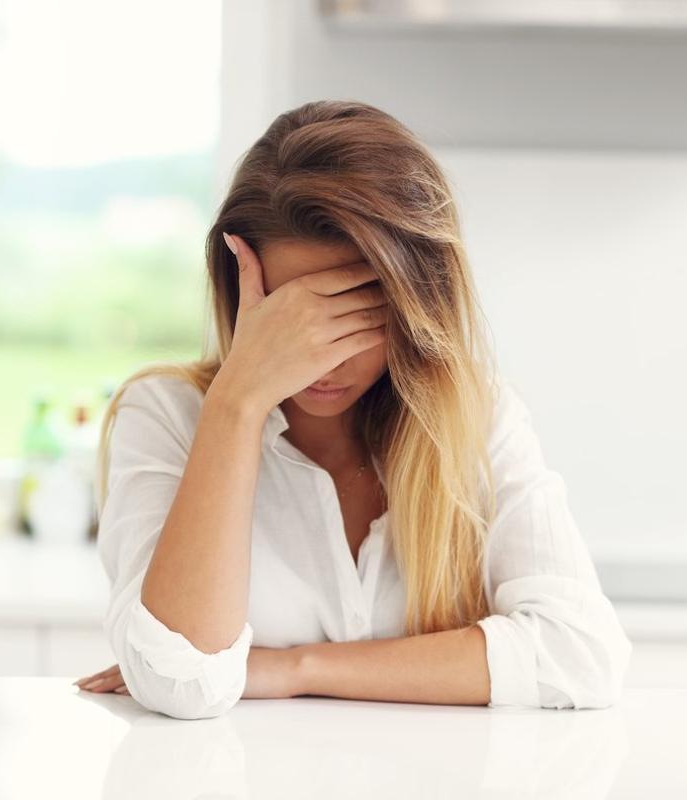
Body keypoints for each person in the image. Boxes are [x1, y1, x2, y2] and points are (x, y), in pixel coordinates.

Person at [73, 99, 631, 720]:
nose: (322, 363)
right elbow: (180, 682)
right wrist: (240, 399)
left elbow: (581, 654)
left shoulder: (477, 417)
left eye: (354, 319)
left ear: (417, 308)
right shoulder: (169, 415)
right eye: (290, 324)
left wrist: (294, 667)